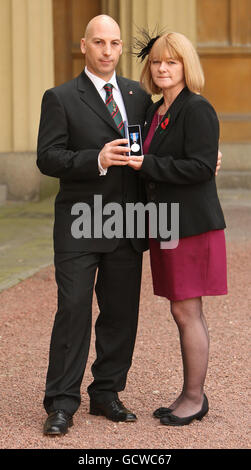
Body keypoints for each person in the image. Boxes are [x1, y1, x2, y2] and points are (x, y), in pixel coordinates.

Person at [37, 14, 152, 435]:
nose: (107, 51)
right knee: (73, 309)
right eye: (99, 42)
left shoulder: (139, 95)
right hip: (79, 222)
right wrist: (95, 159)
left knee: (121, 313)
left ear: (121, 48)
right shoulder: (61, 97)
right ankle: (62, 403)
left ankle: (106, 393)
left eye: (115, 43)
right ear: (84, 46)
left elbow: (160, 143)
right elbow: (47, 157)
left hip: (128, 220)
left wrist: (201, 160)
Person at [128, 31, 227, 426]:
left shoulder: (197, 109)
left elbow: (202, 168)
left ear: (186, 66)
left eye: (171, 61)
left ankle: (193, 397)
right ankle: (190, 393)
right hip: (166, 223)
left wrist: (147, 166)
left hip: (192, 226)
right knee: (180, 309)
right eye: (156, 62)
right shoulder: (155, 112)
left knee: (187, 310)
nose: (162, 68)